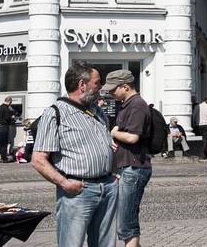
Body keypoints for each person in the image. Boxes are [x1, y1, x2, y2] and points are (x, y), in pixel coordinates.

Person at [30, 63, 118, 247]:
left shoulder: (97, 111)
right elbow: (38, 160)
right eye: (97, 83)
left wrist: (114, 175)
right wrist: (64, 183)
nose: (100, 88)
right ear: (82, 85)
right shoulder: (55, 113)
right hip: (78, 191)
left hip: (107, 188)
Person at [105, 70, 166, 247]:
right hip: (127, 167)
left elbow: (132, 137)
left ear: (125, 86)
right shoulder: (127, 104)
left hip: (134, 168)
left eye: (113, 89)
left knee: (126, 224)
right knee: (126, 219)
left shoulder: (137, 105)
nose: (110, 93)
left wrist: (114, 132)